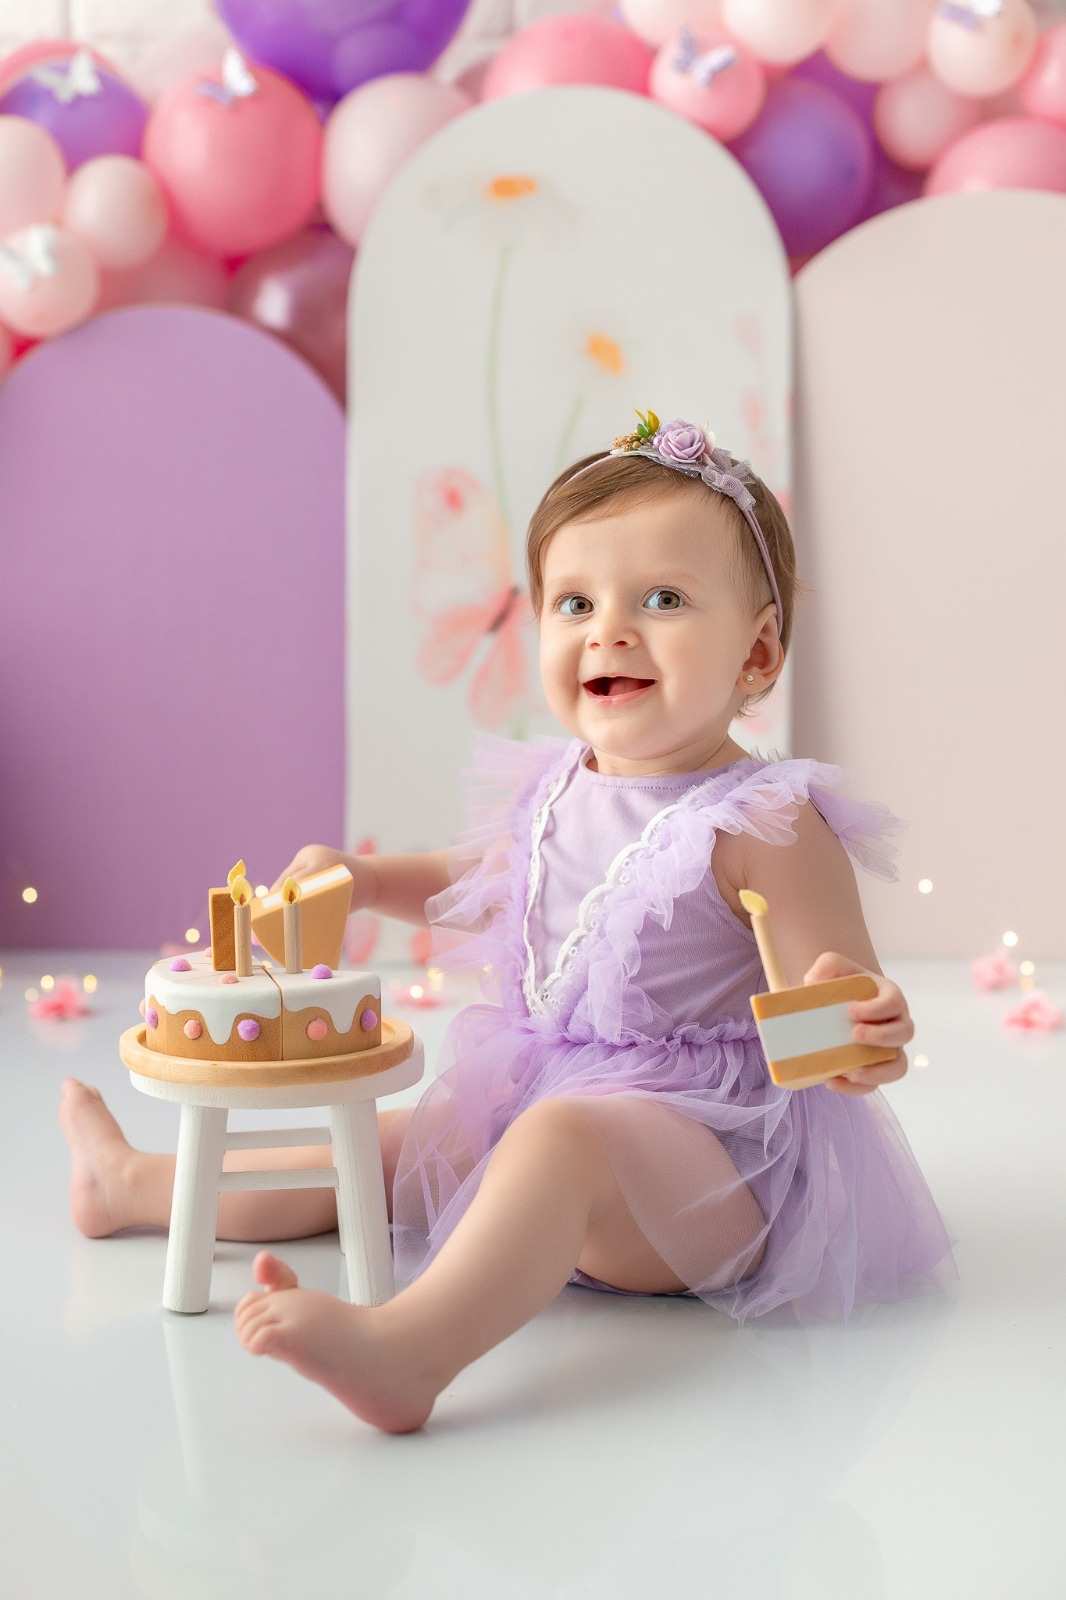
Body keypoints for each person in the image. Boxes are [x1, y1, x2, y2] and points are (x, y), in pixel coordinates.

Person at [60, 411, 958, 1434]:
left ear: (756, 653)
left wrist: (863, 1029)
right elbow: (485, 876)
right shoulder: (557, 784)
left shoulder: (764, 820)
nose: (607, 630)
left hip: (710, 1175)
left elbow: (835, 1008)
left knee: (559, 1139)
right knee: (391, 1144)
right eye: (573, 601)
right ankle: (135, 1184)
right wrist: (359, 877)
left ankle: (410, 1348)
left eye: (661, 599)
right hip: (550, 1100)